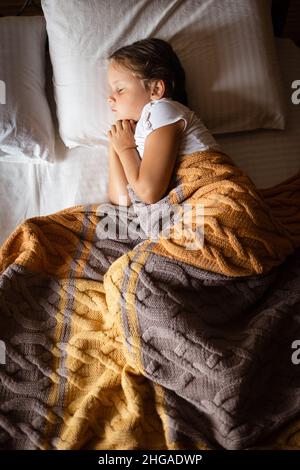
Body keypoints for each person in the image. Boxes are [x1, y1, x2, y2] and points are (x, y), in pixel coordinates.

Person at [106, 37, 221, 206]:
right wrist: (116, 144)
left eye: (120, 89)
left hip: (212, 194)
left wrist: (125, 149)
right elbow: (124, 199)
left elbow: (148, 193)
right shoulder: (139, 129)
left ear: (156, 89)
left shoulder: (162, 109)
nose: (110, 98)